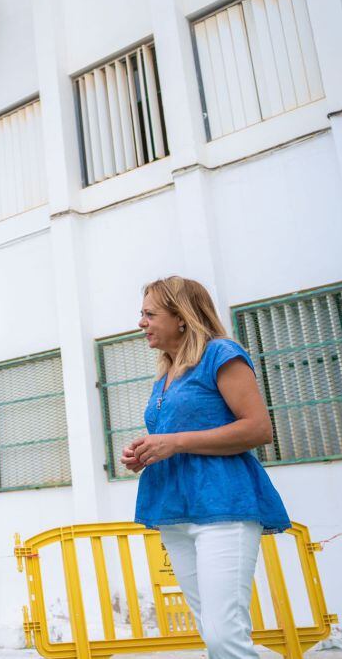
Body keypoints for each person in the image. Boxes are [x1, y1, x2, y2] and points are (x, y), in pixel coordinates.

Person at [121, 277, 290, 659]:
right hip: (174, 510)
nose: (141, 323)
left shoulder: (221, 354)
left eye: (149, 314)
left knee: (222, 635)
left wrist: (174, 442)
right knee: (216, 631)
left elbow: (258, 428)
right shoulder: (164, 375)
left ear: (182, 316)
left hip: (223, 505)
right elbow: (173, 436)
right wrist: (145, 452)